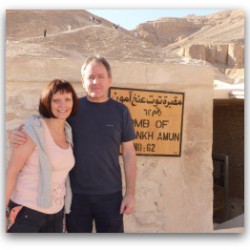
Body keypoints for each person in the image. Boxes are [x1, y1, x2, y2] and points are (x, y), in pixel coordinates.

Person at [9, 56, 137, 233]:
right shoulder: (72, 109)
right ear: (83, 81)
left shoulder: (121, 111)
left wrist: (130, 193)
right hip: (75, 198)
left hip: (110, 196)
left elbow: (129, 153)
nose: (96, 81)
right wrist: (16, 132)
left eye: (101, 76)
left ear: (110, 80)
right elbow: (44, 123)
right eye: (90, 77)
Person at [6, 79, 79, 233]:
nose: (63, 105)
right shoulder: (33, 131)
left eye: (67, 99)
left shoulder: (67, 131)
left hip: (56, 213)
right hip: (27, 212)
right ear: (47, 102)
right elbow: (12, 172)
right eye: (56, 100)